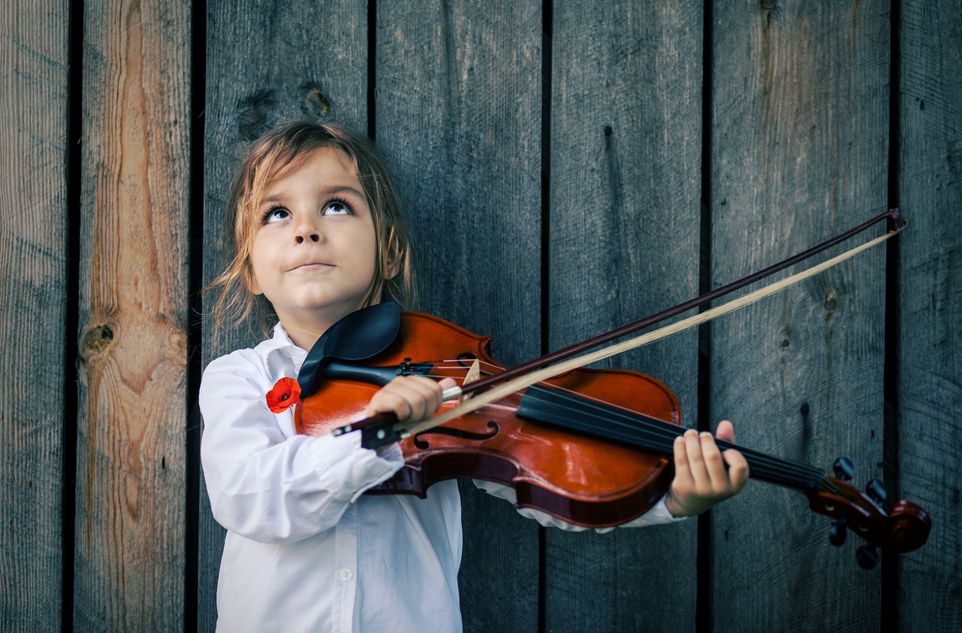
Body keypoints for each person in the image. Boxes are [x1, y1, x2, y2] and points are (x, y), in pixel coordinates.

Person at [199, 121, 749, 632]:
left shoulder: (450, 377)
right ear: (249, 268)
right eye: (276, 214)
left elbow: (550, 474)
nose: (306, 230)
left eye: (337, 206)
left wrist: (669, 497)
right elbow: (247, 495)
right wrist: (378, 433)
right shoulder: (238, 378)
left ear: (389, 252)